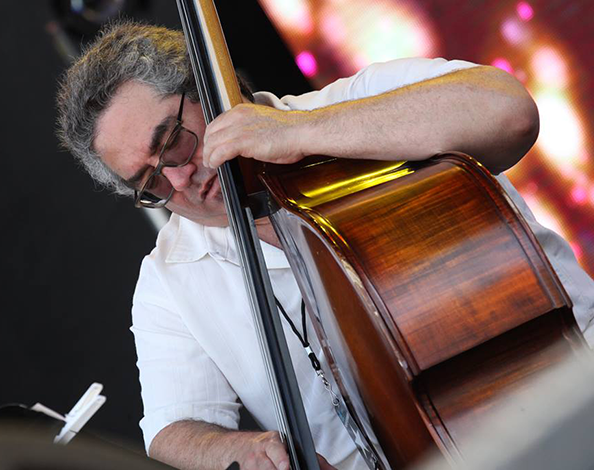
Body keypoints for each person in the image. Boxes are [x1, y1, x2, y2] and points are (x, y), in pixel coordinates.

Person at [56, 20, 594, 470]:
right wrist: (242, 450)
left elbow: (509, 112)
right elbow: (172, 428)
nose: (179, 180)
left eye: (172, 142)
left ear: (211, 87)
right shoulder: (168, 279)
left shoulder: (356, 104)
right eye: (149, 183)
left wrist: (300, 133)